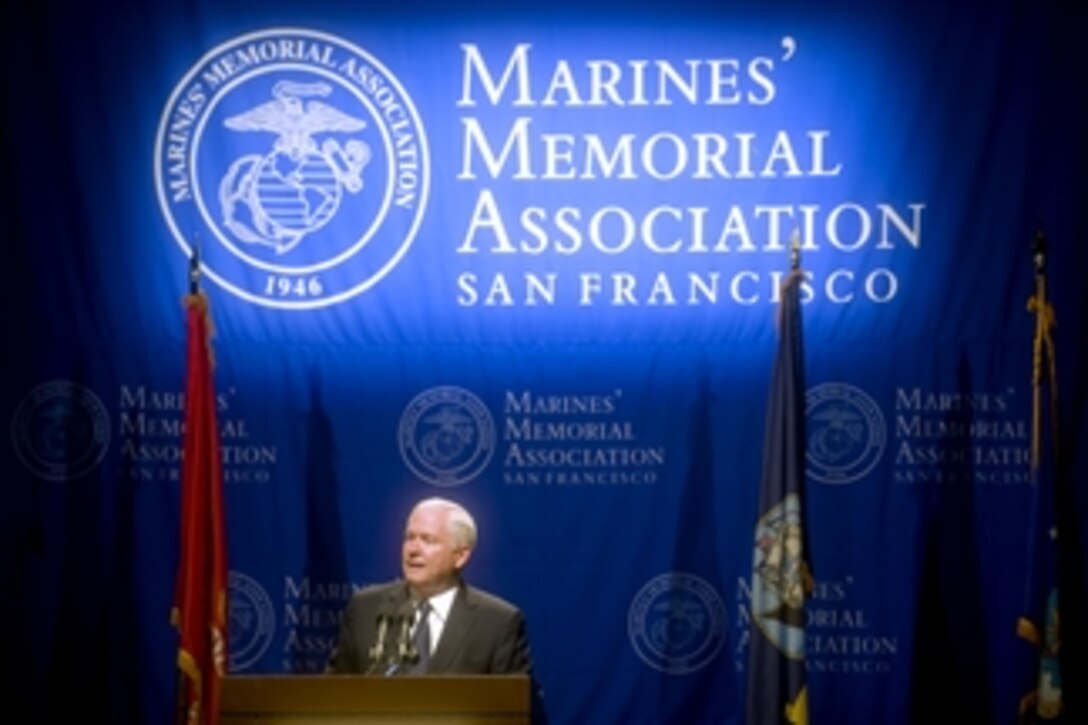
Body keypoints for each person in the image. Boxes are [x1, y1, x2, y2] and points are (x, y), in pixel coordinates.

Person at [328, 497, 533, 675]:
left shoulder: (496, 623)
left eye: (428, 540)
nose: (413, 550)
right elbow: (333, 696)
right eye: (410, 537)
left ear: (460, 556)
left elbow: (518, 707)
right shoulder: (366, 608)